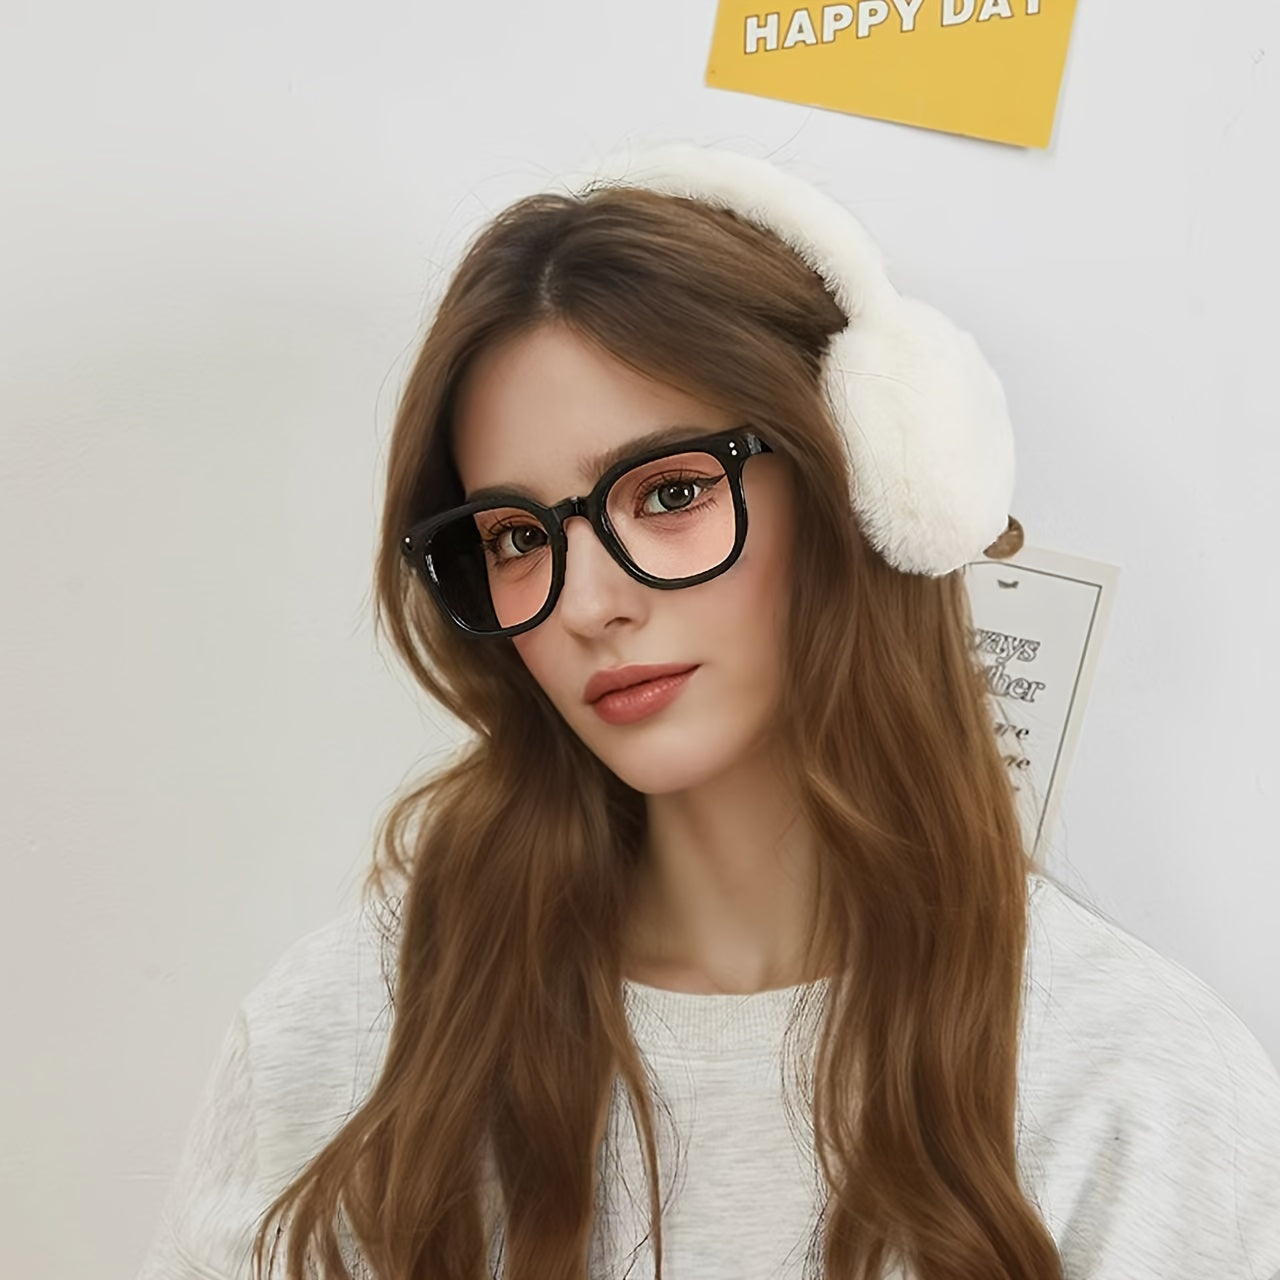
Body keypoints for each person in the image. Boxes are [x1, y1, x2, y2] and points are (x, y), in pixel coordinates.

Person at [135, 144, 1280, 1280]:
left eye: (670, 491)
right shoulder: (344, 1038)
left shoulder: (1138, 1091)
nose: (585, 603)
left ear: (858, 486)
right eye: (516, 537)